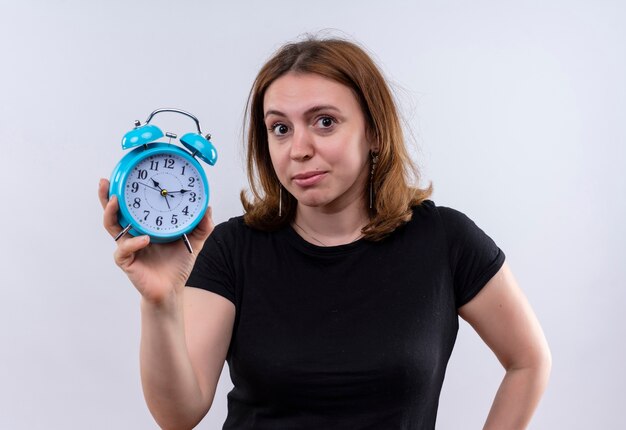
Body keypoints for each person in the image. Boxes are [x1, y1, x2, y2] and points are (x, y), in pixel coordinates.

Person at [98, 37, 551, 430]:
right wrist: (159, 302)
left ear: (374, 132)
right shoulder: (234, 248)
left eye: (325, 121)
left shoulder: (446, 240)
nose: (299, 149)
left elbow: (529, 361)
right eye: (280, 128)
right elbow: (179, 415)